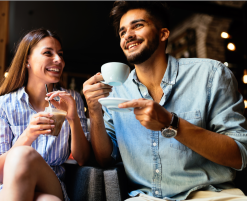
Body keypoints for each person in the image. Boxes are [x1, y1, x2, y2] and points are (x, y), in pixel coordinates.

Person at [83, 1, 247, 201]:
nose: (128, 35)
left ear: (163, 34)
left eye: (138, 25)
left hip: (210, 195)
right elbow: (105, 159)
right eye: (122, 32)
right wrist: (94, 110)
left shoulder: (211, 74)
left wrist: (171, 123)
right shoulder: (116, 92)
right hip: (145, 198)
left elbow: (239, 155)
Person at [0, 28, 90, 201]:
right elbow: (0, 174)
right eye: (48, 53)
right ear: (27, 61)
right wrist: (28, 134)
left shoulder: (72, 99)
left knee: (24, 156)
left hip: (51, 183)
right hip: (6, 187)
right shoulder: (3, 105)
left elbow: (83, 159)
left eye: (60, 54)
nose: (59, 60)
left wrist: (73, 118)